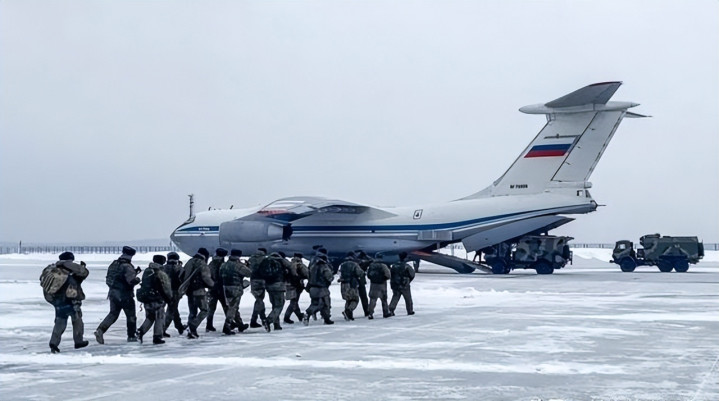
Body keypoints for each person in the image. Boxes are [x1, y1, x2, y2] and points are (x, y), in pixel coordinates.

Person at [95, 246, 141, 344]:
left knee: (113, 314)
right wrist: (137, 279)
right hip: (125, 295)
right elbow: (131, 281)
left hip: (113, 293)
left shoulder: (114, 264)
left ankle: (100, 330)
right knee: (131, 316)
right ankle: (131, 336)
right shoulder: (127, 266)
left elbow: (112, 278)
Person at [45, 252, 89, 353]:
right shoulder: (69, 265)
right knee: (77, 320)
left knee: (60, 322)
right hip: (70, 300)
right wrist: (82, 268)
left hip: (57, 300)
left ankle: (54, 343)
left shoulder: (55, 268)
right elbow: (84, 273)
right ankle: (78, 341)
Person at [136, 255, 173, 344]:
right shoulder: (160, 273)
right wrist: (168, 298)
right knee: (159, 317)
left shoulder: (147, 271)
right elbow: (165, 287)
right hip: (157, 299)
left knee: (150, 317)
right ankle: (157, 336)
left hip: (147, 298)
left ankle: (140, 331)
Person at [182, 247, 214, 339]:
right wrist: (213, 285)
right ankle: (193, 326)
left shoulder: (189, 262)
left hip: (189, 290)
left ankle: (192, 331)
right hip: (199, 291)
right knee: (205, 310)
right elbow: (206, 277)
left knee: (192, 312)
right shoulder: (202, 264)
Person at [219, 249, 251, 335]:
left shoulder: (224, 265)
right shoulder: (238, 265)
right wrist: (248, 265)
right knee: (233, 307)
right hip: (236, 287)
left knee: (232, 306)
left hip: (225, 287)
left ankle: (240, 324)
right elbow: (249, 273)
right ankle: (227, 325)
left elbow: (220, 274)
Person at [261, 252, 288, 332]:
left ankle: (277, 324)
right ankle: (269, 320)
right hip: (278, 286)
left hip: (269, 286)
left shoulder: (266, 261)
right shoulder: (280, 261)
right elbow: (290, 268)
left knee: (274, 305)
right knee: (279, 305)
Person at [303, 256, 334, 325]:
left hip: (312, 288)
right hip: (322, 288)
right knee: (326, 304)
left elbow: (308, 276)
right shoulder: (324, 267)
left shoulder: (312, 267)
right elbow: (329, 277)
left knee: (315, 303)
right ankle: (326, 319)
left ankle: (308, 314)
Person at [162, 252, 186, 336]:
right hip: (175, 291)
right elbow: (183, 279)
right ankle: (163, 329)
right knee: (171, 310)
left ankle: (179, 326)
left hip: (163, 291)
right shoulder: (179, 268)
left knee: (173, 309)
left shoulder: (163, 268)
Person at [206, 248, 228, 332]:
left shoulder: (211, 263)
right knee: (226, 306)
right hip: (220, 288)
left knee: (211, 307)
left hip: (212, 288)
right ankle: (229, 323)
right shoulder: (222, 264)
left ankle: (209, 324)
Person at [338, 252, 364, 321]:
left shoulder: (342, 265)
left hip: (343, 284)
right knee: (355, 299)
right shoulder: (354, 264)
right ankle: (348, 311)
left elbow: (339, 273)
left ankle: (348, 315)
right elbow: (360, 273)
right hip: (352, 284)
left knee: (348, 299)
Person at [388, 251, 416, 316]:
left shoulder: (394, 265)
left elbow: (390, 274)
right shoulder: (406, 266)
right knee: (408, 298)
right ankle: (409, 310)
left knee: (395, 297)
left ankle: (391, 310)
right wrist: (408, 280)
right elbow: (412, 274)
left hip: (395, 284)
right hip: (404, 285)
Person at [283, 253, 307, 324]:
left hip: (288, 285)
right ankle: (286, 317)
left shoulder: (289, 264)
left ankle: (299, 315)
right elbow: (306, 274)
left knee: (294, 301)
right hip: (297, 286)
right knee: (294, 302)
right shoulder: (300, 265)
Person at [366, 253, 391, 319]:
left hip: (373, 284)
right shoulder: (383, 265)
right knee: (384, 299)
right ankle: (385, 313)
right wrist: (384, 279)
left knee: (373, 299)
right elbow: (388, 275)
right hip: (382, 284)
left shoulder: (371, 265)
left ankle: (370, 313)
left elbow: (368, 275)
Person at [248, 248, 268, 328]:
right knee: (260, 300)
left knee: (258, 300)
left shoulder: (251, 259)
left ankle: (255, 319)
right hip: (261, 280)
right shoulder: (265, 260)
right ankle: (262, 318)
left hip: (253, 280)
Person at [355, 251, 372, 317]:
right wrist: (366, 255)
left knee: (352, 297)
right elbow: (371, 260)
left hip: (353, 281)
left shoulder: (354, 261)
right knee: (363, 297)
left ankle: (349, 310)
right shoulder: (363, 262)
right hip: (361, 281)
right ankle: (366, 311)